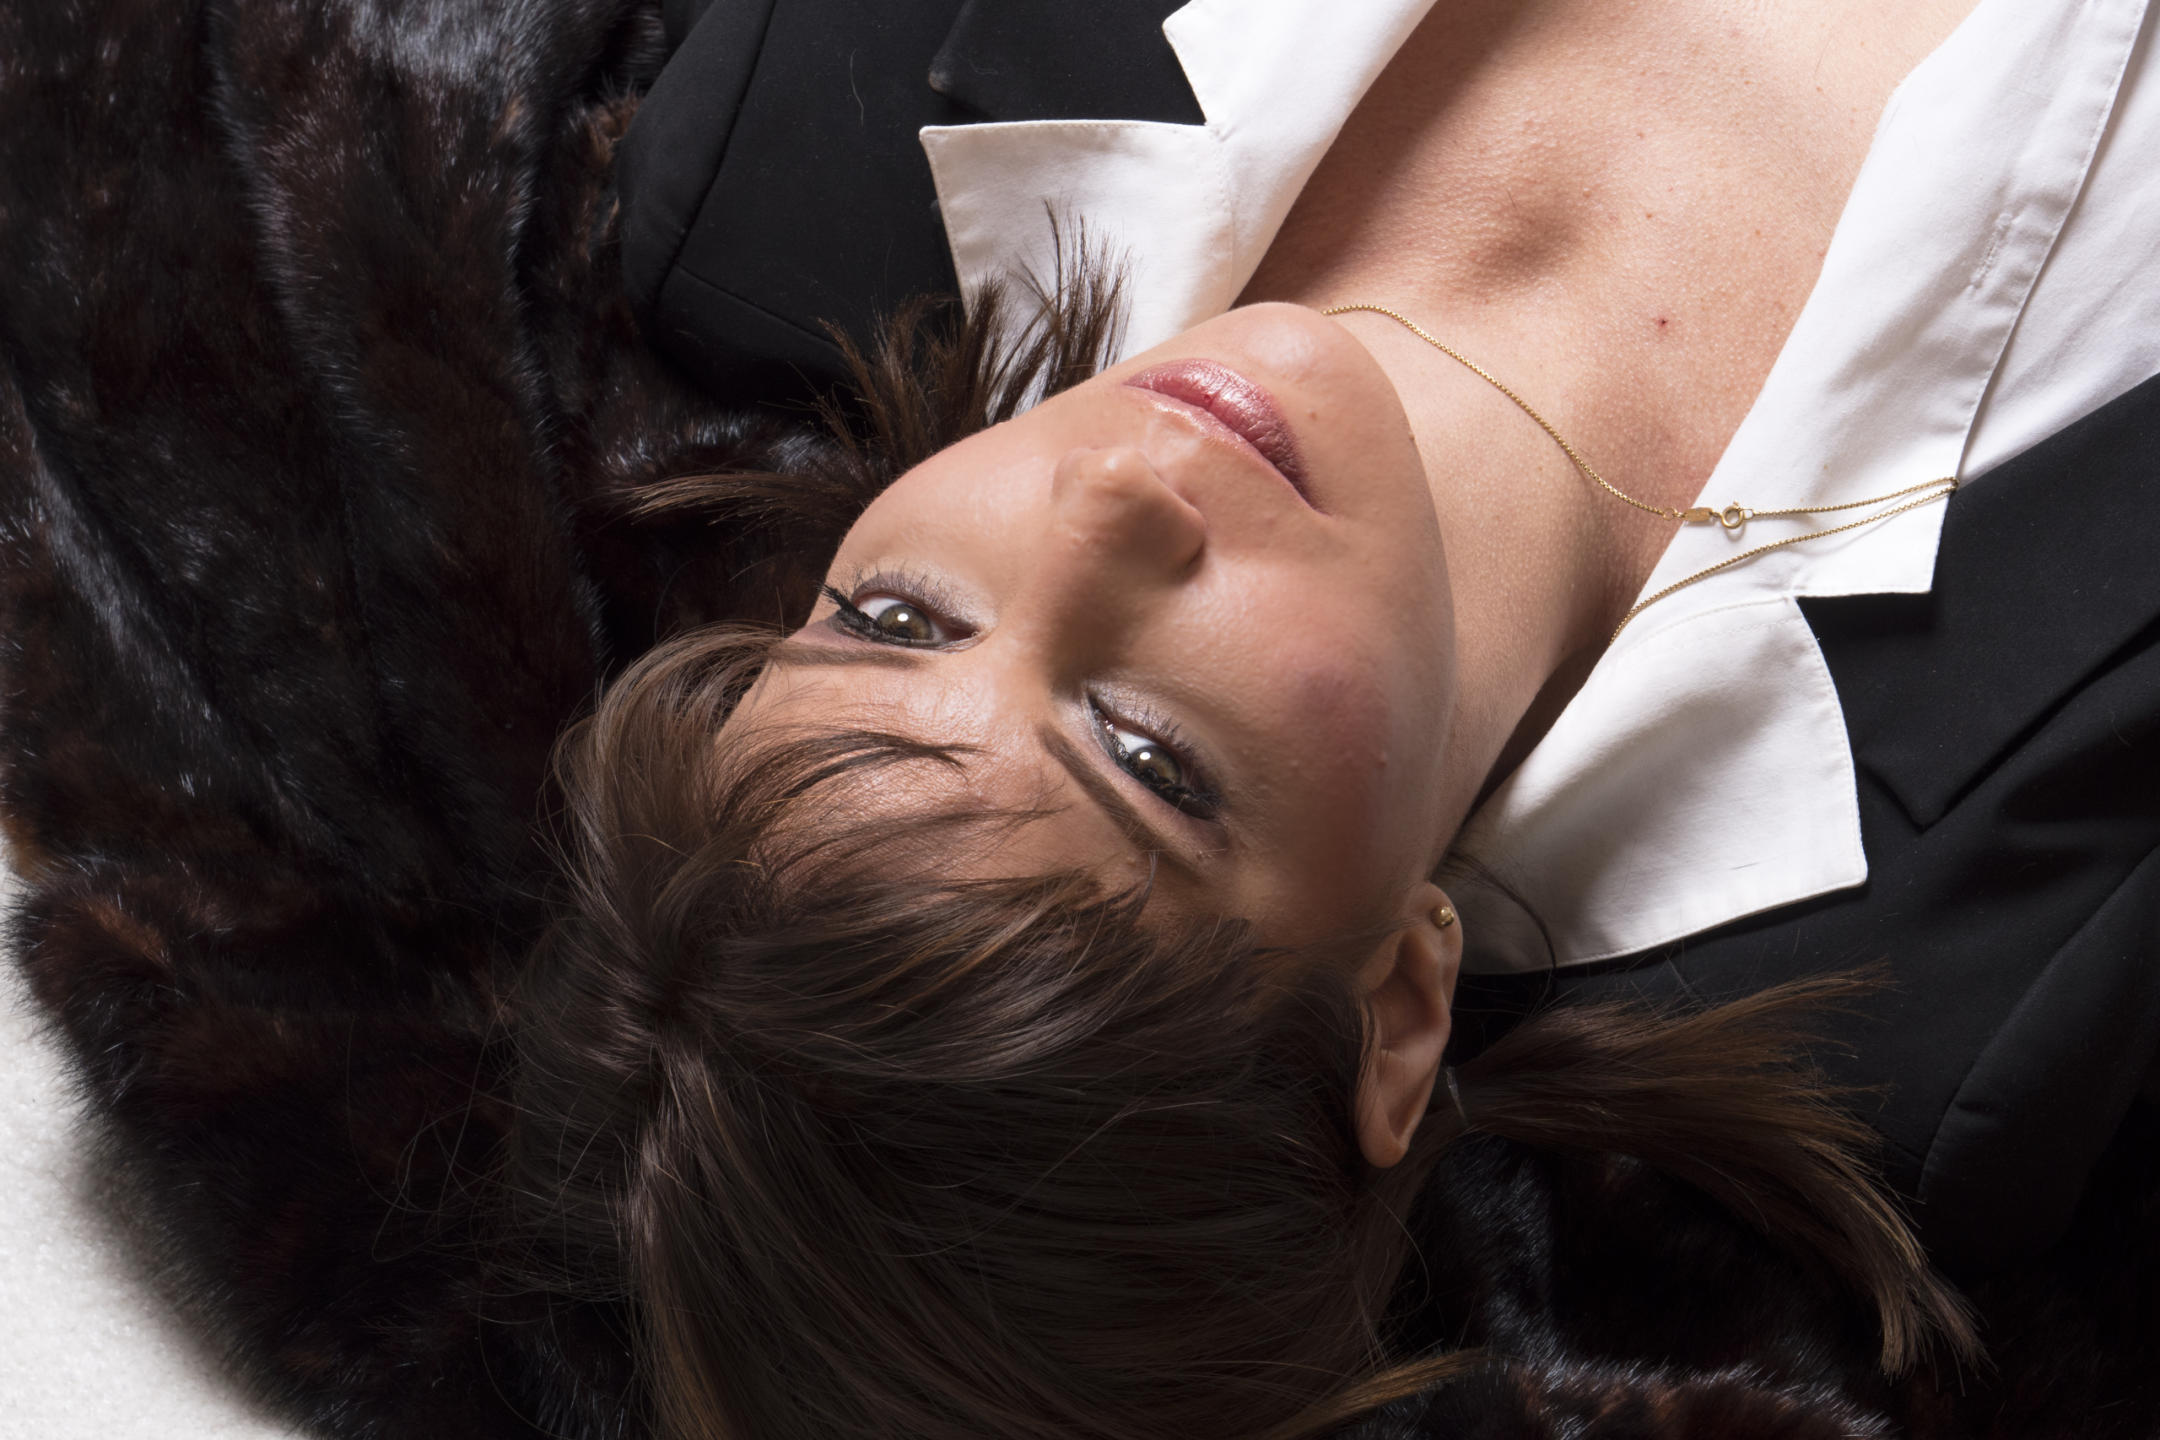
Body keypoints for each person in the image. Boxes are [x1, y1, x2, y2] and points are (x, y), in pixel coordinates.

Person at [509, 0, 2160, 1436]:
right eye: (1148, 761)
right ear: (1393, 1015)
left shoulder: (799, 150)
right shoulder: (1998, 941)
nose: (1102, 504)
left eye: (895, 621)